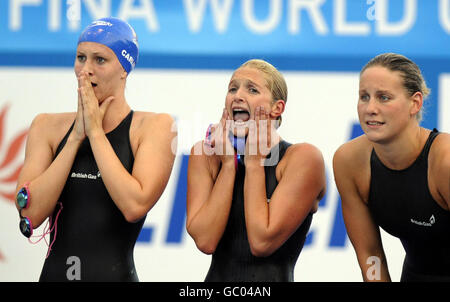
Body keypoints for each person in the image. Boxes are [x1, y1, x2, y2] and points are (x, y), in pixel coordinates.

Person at [15, 17, 177, 282]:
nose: (85, 70)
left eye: (100, 60)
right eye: (80, 58)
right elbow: (30, 214)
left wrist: (95, 132)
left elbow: (134, 205)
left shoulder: (153, 127)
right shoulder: (46, 126)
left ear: (125, 68)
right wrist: (76, 137)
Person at [186, 59, 326, 282]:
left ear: (276, 108)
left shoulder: (302, 159)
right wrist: (229, 166)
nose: (238, 95)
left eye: (252, 89)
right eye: (233, 88)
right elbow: (205, 241)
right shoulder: (206, 156)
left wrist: (253, 163)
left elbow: (262, 242)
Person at [333, 53, 450, 282]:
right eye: (364, 97)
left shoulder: (444, 162)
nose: (370, 108)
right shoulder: (350, 161)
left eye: (384, 97)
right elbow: (371, 256)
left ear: (415, 103)